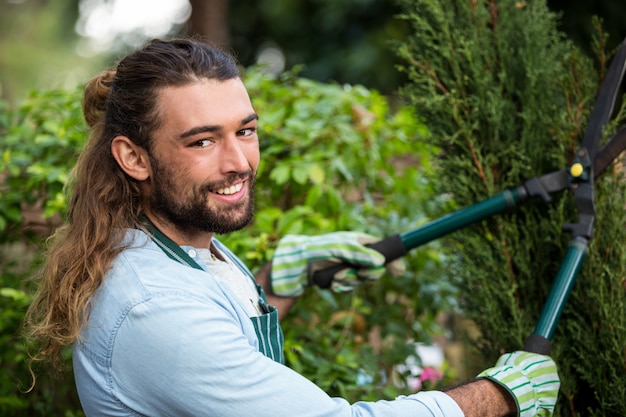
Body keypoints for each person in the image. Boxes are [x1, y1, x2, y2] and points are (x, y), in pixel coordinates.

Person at [24, 38, 559, 417]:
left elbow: (216, 334)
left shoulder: (181, 242)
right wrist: (498, 397)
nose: (239, 162)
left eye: (246, 130)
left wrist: (277, 282)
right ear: (134, 158)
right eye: (203, 141)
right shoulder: (152, 307)